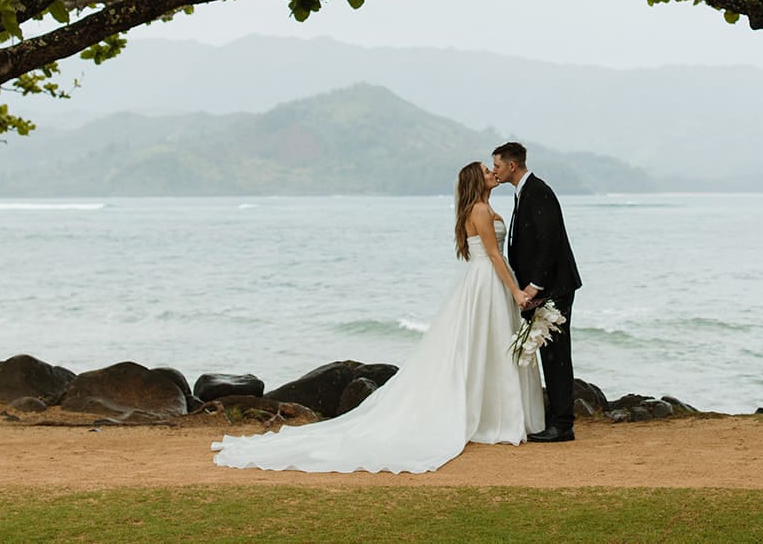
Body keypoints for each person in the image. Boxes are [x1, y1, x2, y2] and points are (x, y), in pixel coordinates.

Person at [211, 162, 544, 473]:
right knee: (487, 347)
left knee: (483, 349)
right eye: (486, 171)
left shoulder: (479, 209)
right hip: (487, 282)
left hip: (482, 283)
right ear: (476, 181)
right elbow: (494, 257)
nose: (491, 172)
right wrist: (516, 292)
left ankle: (488, 413)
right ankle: (491, 417)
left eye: (492, 168)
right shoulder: (481, 210)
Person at [492, 141, 582, 442]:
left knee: (556, 354)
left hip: (554, 288)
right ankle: (557, 419)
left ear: (512, 166)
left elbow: (549, 242)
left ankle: (562, 424)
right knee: (548, 352)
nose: (495, 171)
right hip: (544, 288)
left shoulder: (538, 191)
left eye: (498, 166)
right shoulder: (525, 193)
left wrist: (534, 286)